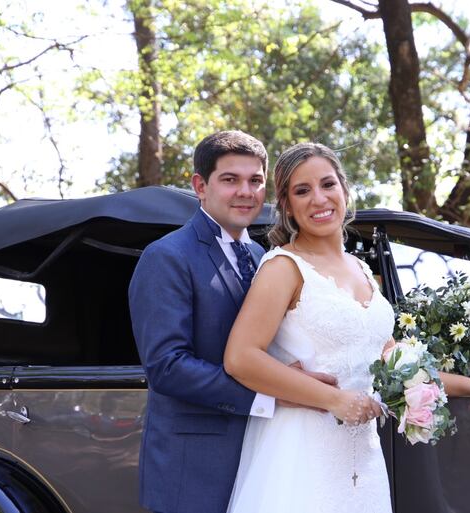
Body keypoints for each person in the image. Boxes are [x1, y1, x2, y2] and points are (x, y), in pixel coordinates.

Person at [223, 142, 470, 512]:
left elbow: (394, 363)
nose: (319, 199)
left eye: (328, 184)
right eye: (302, 191)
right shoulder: (283, 267)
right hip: (301, 453)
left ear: (344, 189)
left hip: (363, 459)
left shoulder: (363, 270)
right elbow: (241, 358)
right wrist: (334, 399)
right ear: (286, 205)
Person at [129, 131, 335, 513]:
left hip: (266, 459)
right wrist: (272, 393)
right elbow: (167, 366)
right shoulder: (167, 256)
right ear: (200, 186)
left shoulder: (263, 256)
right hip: (195, 471)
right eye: (230, 179)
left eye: (255, 180)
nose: (245, 192)